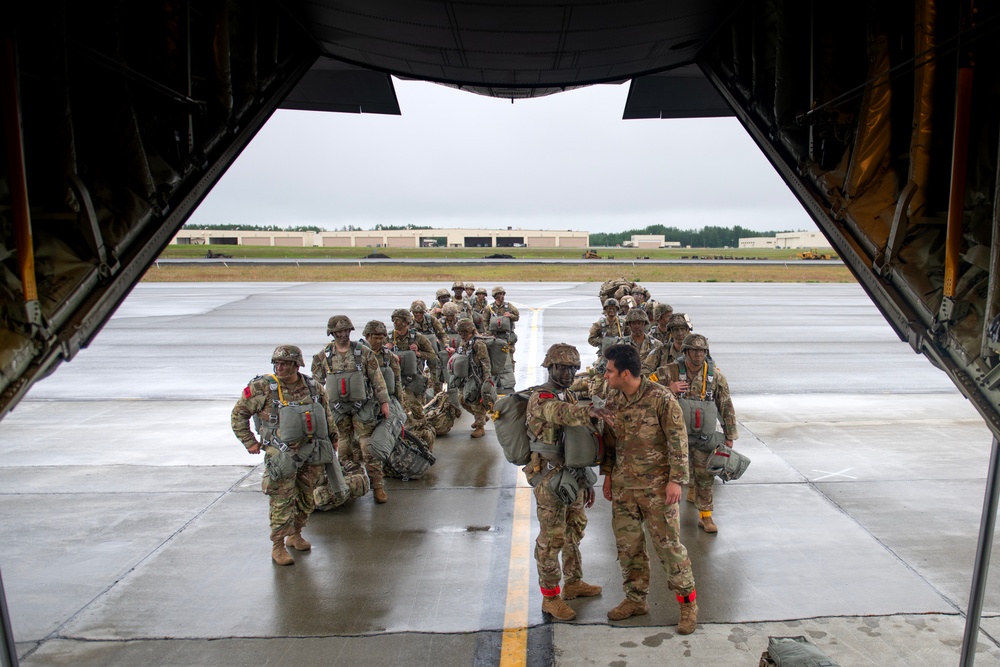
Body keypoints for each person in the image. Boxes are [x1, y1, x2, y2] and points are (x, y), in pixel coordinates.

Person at [600, 344, 698, 634]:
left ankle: (687, 605)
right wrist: (607, 476)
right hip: (624, 488)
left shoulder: (661, 398)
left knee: (669, 548)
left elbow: (678, 441)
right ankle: (635, 599)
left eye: (609, 371)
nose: (605, 376)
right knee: (628, 547)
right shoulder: (613, 398)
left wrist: (676, 480)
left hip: (658, 489)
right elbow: (610, 440)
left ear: (625, 373)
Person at [526, 343, 615, 621]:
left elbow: (576, 440)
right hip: (549, 477)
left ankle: (573, 582)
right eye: (562, 367)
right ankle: (550, 597)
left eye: (572, 368)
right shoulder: (541, 397)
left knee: (574, 530)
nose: (568, 373)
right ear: (550, 367)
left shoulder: (569, 394)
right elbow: (558, 413)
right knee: (551, 538)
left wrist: (586, 481)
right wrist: (588, 413)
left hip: (570, 475)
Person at [231, 345, 337, 565]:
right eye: (277, 363)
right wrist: (249, 442)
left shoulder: (313, 387)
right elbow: (239, 414)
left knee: (308, 498)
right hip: (281, 455)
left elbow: (326, 414)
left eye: (285, 364)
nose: (279, 368)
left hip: (311, 452)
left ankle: (295, 534)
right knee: (281, 501)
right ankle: (278, 546)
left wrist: (333, 438)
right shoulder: (262, 388)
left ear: (297, 365)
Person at [311, 315, 392, 504]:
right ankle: (352, 484)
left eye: (346, 331)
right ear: (332, 334)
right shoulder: (324, 356)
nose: (343, 335)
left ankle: (377, 486)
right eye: (338, 332)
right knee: (344, 449)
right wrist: (317, 409)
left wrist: (384, 402)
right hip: (337, 409)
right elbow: (315, 384)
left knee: (368, 448)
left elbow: (377, 378)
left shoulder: (363, 352)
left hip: (362, 406)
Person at [663, 333, 738, 533]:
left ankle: (706, 516)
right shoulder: (670, 371)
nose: (698, 355)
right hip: (676, 438)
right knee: (671, 477)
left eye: (702, 351)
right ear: (685, 351)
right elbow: (644, 387)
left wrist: (729, 435)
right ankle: (667, 518)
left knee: (705, 476)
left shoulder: (715, 376)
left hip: (704, 438)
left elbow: (726, 405)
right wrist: (667, 389)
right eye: (694, 350)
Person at [390, 308, 439, 448]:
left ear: (406, 322)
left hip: (414, 379)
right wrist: (386, 350)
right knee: (401, 412)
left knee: (417, 411)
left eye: (398, 319)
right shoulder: (388, 338)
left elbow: (432, 356)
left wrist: (418, 353)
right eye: (393, 319)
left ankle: (427, 440)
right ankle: (408, 441)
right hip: (395, 380)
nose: (395, 322)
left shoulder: (418, 338)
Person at [451, 318, 493, 437]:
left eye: (463, 332)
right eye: (459, 332)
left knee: (474, 401)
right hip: (465, 376)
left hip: (476, 376)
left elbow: (485, 361)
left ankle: (480, 427)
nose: (461, 335)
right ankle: (481, 417)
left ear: (470, 331)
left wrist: (486, 379)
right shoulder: (464, 341)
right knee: (463, 400)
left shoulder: (478, 343)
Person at [587, 298, 626, 398]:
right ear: (605, 310)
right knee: (600, 377)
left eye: (613, 308)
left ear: (617, 309)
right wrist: (603, 342)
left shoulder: (623, 323)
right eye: (609, 308)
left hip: (620, 356)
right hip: (604, 356)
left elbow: (630, 336)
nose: (611, 311)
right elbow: (591, 339)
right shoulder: (599, 324)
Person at [411, 299, 446, 392]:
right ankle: (419, 392)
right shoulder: (409, 322)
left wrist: (446, 345)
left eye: (420, 312)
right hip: (417, 350)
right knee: (417, 370)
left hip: (431, 349)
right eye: (415, 313)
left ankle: (437, 391)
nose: (418, 315)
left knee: (436, 368)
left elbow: (442, 333)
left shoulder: (431, 319)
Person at [622, 308, 665, 376]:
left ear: (644, 324)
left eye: (639, 323)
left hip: (650, 381)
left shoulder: (657, 344)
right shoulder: (621, 345)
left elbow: (662, 368)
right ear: (629, 325)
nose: (637, 326)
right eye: (634, 323)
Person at [488, 285, 520, 365]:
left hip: (507, 337)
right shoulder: (489, 308)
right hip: (495, 337)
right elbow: (485, 322)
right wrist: (489, 334)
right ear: (495, 296)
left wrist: (510, 316)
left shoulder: (509, 306)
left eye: (503, 294)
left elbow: (517, 317)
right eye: (499, 294)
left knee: (509, 359)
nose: (502, 296)